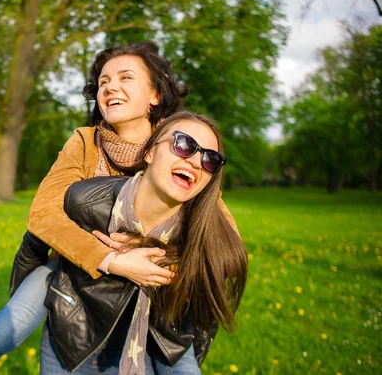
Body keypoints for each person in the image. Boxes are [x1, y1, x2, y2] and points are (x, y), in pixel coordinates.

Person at [0, 43, 237, 374]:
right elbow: (44, 216)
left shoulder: (178, 149)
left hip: (147, 284)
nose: (111, 86)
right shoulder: (85, 142)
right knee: (0, 332)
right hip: (72, 267)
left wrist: (150, 250)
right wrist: (111, 257)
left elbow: (221, 237)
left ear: (155, 95)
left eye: (125, 77)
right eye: (103, 82)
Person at [13, 111, 248, 374]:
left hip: (161, 339)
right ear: (149, 153)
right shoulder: (88, 199)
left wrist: (169, 261)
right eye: (184, 145)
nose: (195, 161)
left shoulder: (207, 229)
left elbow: (212, 297)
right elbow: (37, 234)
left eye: (210, 159)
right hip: (75, 337)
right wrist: (110, 260)